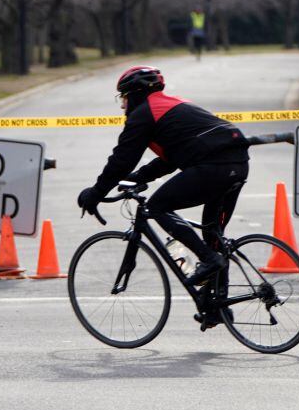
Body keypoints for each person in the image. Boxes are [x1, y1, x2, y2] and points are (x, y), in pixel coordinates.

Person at [77, 66, 249, 288]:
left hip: (213, 167)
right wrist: (139, 177)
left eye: (124, 98)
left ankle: (208, 260)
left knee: (157, 207)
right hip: (238, 165)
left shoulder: (143, 114)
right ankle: (218, 306)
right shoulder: (173, 105)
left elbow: (122, 159)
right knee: (212, 235)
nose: (122, 105)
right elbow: (172, 158)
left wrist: (96, 193)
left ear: (134, 94)